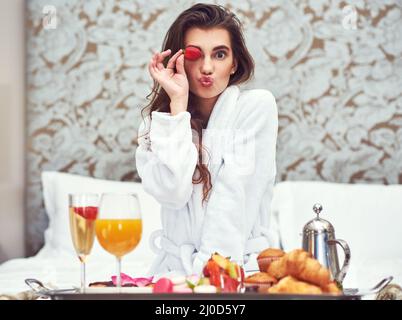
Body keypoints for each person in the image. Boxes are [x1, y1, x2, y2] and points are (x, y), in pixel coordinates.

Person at [135, 3, 278, 277]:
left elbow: (235, 199)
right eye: (194, 54)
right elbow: (173, 194)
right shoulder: (156, 127)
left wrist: (208, 279)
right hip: (174, 274)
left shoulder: (256, 108)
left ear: (234, 62)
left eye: (220, 54)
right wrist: (178, 106)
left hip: (234, 270)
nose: (207, 67)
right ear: (178, 60)